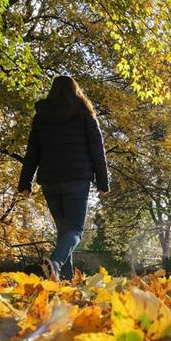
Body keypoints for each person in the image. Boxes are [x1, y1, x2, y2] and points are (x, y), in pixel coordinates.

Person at [16, 76, 110, 281]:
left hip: (51, 181)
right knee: (75, 230)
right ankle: (56, 263)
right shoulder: (85, 114)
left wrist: (25, 183)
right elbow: (97, 150)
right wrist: (103, 183)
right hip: (77, 180)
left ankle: (64, 281)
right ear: (76, 91)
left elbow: (32, 152)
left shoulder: (41, 117)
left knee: (63, 233)